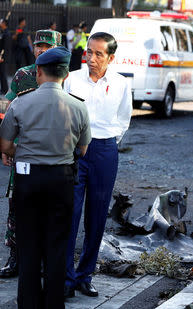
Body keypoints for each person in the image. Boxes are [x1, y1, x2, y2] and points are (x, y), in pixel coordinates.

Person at [0, 46, 91, 309]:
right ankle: (53, 303)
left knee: (28, 244)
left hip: (28, 180)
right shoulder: (78, 106)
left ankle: (28, 303)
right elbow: (83, 149)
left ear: (38, 72)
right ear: (65, 75)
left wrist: (25, 152)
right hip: (62, 180)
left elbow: (5, 146)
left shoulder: (21, 102)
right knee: (57, 245)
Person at [63, 32, 132, 298]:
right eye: (89, 52)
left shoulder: (120, 84)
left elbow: (124, 118)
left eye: (98, 54)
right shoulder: (71, 79)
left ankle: (85, 275)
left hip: (104, 150)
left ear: (110, 57)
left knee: (97, 216)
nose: (91, 58)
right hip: (73, 152)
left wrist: (109, 143)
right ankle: (66, 279)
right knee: (70, 213)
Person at [0, 29, 62, 279]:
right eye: (38, 45)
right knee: (17, 203)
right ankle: (15, 256)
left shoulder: (63, 75)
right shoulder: (23, 75)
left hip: (53, 152)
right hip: (22, 151)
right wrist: (7, 144)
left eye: (47, 46)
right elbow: (10, 110)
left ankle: (46, 259)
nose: (41, 50)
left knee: (50, 207)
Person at [0, 18, 10, 95]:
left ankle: (5, 90)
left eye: (1, 21)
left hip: (2, 57)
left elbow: (5, 47)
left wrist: (2, 57)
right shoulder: (2, 32)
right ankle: (2, 89)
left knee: (3, 73)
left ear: (4, 23)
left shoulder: (7, 33)